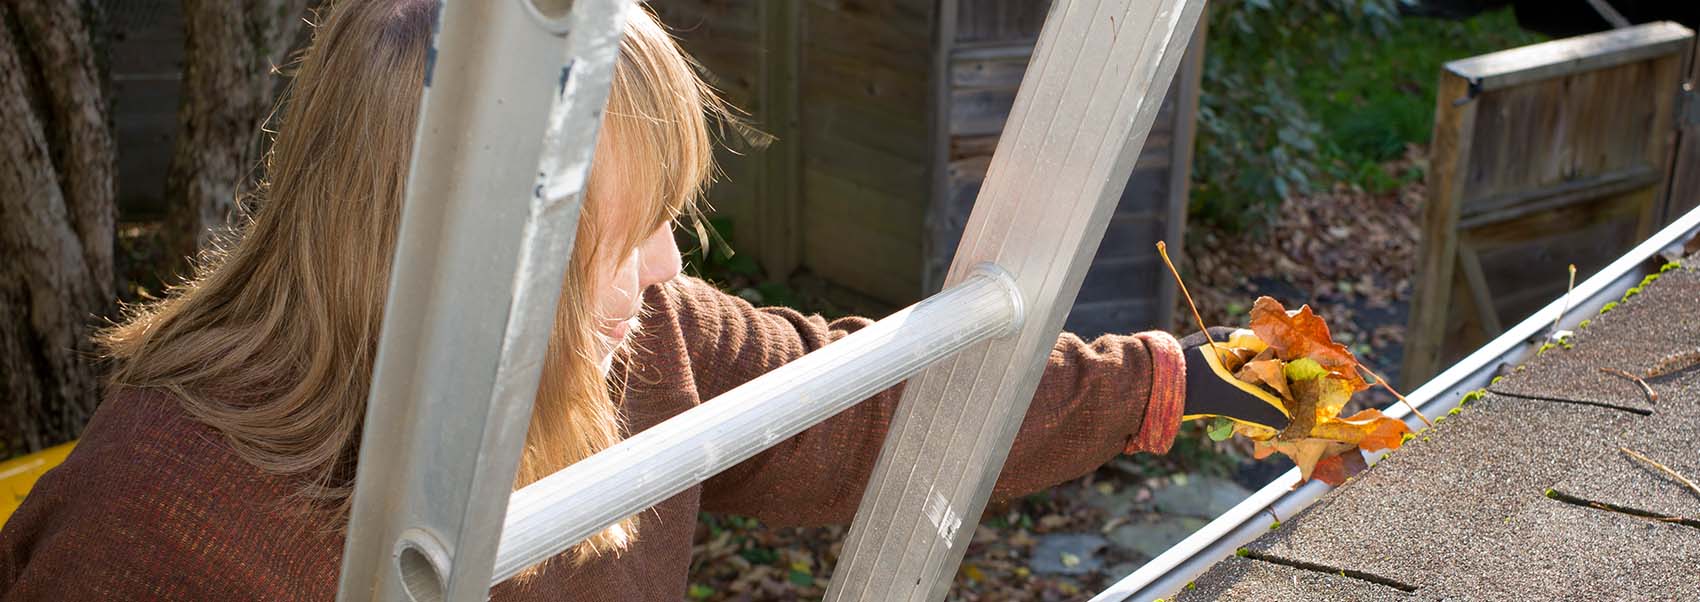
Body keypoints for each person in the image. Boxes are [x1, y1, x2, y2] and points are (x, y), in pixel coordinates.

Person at [0, 1, 1285, 600]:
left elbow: (868, 396)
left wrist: (1177, 375)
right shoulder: (163, 531)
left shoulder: (637, 341)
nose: (673, 269)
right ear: (447, 257)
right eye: (622, 233)